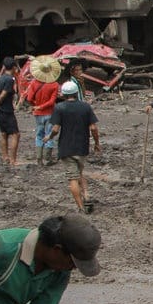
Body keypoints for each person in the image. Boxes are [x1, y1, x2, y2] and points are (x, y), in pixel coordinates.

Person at [47, 81, 100, 214]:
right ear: (77, 93)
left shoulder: (60, 108)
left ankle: (81, 207)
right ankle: (86, 195)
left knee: (73, 178)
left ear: (64, 94)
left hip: (66, 147)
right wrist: (97, 143)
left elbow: (55, 129)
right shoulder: (85, 107)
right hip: (82, 146)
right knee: (80, 173)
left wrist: (49, 137)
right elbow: (93, 128)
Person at [23, 55, 62, 166]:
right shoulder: (54, 85)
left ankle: (39, 159)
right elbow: (52, 101)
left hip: (38, 113)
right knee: (50, 134)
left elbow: (29, 99)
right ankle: (48, 158)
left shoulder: (34, 83)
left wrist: (37, 106)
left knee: (39, 134)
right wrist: (42, 106)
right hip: (49, 112)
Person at [0, 57, 21, 166]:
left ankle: (5, 157)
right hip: (6, 111)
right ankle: (13, 160)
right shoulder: (10, 79)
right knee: (15, 134)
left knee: (4, 134)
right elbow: (3, 94)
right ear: (14, 67)